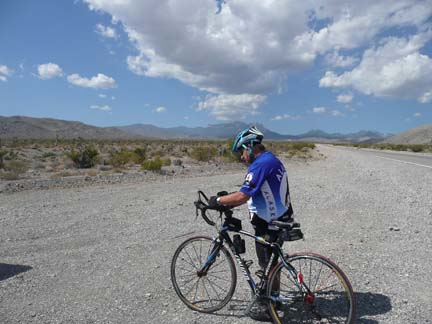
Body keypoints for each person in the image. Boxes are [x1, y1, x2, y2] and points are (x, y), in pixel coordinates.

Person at [208, 125, 294, 320]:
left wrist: (218, 201)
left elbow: (241, 196)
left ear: (250, 146)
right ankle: (274, 299)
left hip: (270, 223)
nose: (241, 157)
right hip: (279, 218)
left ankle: (266, 308)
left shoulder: (261, 164)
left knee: (266, 264)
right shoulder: (271, 159)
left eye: (241, 151)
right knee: (271, 264)